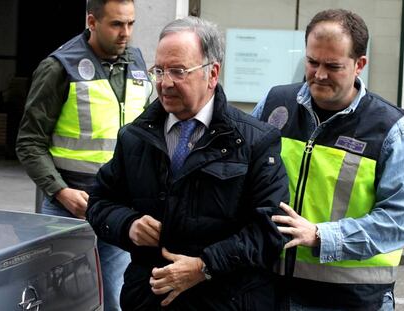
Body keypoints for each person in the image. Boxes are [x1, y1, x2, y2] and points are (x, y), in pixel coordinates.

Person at [86, 16, 289, 311]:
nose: (165, 83)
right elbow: (99, 202)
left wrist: (204, 266)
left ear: (212, 73)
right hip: (148, 298)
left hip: (224, 300)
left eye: (179, 71)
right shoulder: (134, 137)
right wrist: (128, 225)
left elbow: (270, 229)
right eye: (159, 70)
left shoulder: (254, 141)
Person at [253, 8, 404, 311]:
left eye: (333, 66)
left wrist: (321, 236)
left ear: (359, 65)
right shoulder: (275, 105)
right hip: (269, 292)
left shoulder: (392, 130)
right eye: (312, 62)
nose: (319, 74)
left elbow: (400, 220)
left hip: (352, 301)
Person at [15, 0, 152, 310]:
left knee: (117, 298)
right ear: (92, 21)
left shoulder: (138, 63)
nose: (126, 33)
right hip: (67, 208)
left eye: (131, 24)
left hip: (118, 207)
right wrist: (61, 192)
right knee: (59, 300)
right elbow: (28, 143)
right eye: (116, 24)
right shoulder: (59, 67)